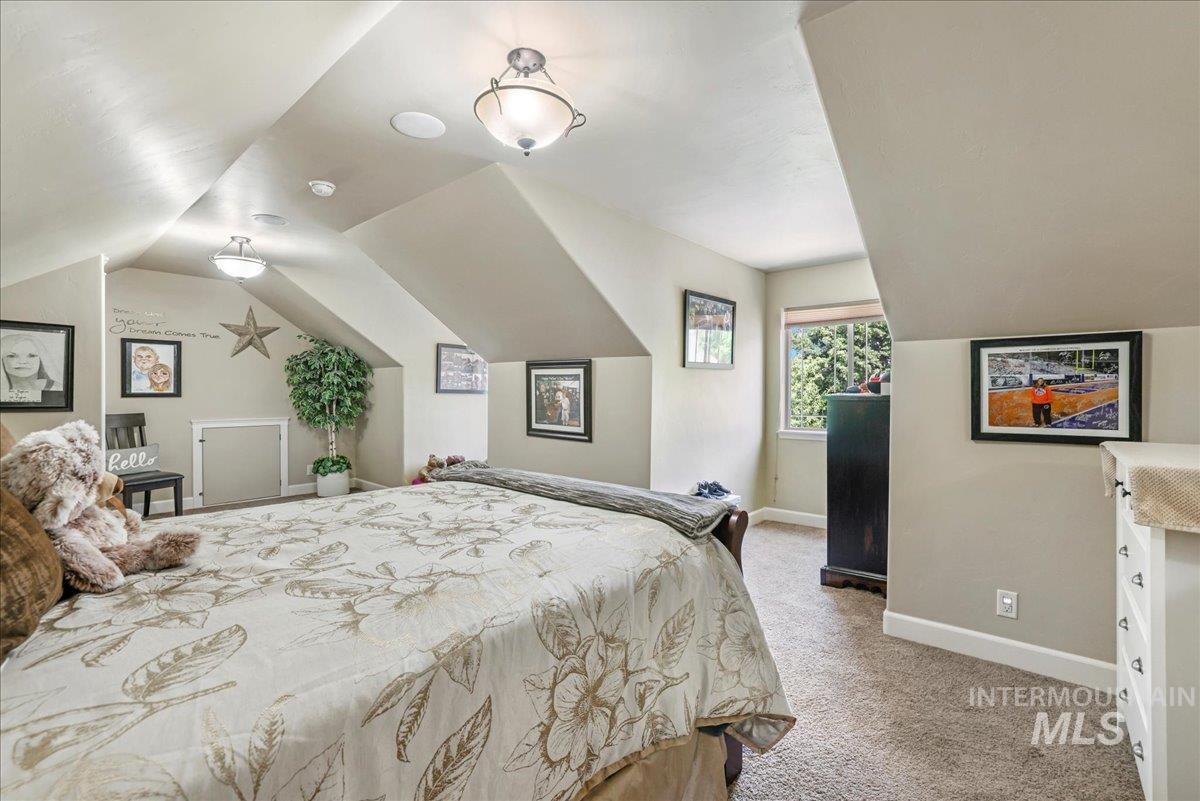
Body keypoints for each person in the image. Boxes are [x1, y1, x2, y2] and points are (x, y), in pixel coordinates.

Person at [1, 333, 64, 404]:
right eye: (12, 356)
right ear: (2, 360)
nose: (23, 362)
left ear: (41, 359)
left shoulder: (57, 388)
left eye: (32, 356)